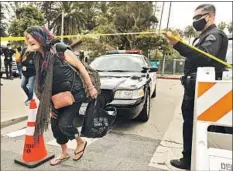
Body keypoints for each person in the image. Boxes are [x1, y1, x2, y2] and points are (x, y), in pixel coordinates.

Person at [163, 4, 228, 170]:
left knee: (206, 126)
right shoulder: (203, 36)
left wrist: (178, 44)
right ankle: (189, 158)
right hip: (194, 88)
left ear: (210, 16)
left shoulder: (215, 35)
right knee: (190, 124)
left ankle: (203, 161)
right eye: (194, 18)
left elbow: (203, 57)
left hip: (206, 91)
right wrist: (178, 43)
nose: (195, 21)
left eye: (198, 17)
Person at [24, 26, 98, 166]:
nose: (28, 39)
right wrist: (48, 105)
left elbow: (80, 67)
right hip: (55, 99)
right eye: (26, 38)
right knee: (56, 127)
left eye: (31, 36)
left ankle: (80, 142)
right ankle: (64, 153)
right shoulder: (37, 57)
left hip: (74, 94)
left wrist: (91, 87)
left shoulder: (59, 49)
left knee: (65, 124)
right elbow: (40, 81)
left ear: (40, 36)